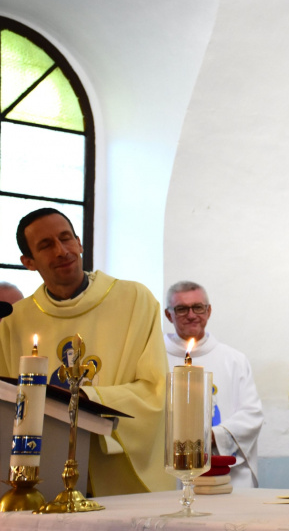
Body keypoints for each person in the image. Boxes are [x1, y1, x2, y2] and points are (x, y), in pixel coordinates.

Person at [0, 208, 174, 496]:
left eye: (66, 238)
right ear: (28, 262)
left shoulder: (135, 300)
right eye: (46, 245)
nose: (62, 251)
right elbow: (8, 407)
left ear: (79, 243)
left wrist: (88, 398)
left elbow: (155, 391)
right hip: (45, 476)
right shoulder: (13, 321)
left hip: (119, 481)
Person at [164, 280, 263, 488]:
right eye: (181, 309)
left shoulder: (234, 360)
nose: (191, 315)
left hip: (225, 473)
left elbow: (251, 414)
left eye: (198, 307)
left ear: (208, 311)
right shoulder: (155, 358)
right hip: (170, 472)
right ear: (168, 315)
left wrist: (210, 437)